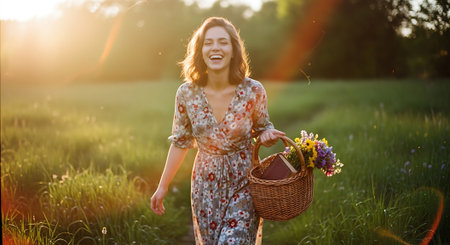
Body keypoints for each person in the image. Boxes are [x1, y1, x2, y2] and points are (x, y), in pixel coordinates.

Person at [150, 17, 285, 244]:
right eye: (208, 42)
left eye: (223, 42)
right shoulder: (187, 94)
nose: (215, 48)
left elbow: (263, 128)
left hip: (244, 182)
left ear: (233, 50)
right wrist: (162, 187)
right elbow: (180, 142)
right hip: (205, 186)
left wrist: (268, 136)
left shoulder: (253, 90)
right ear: (200, 50)